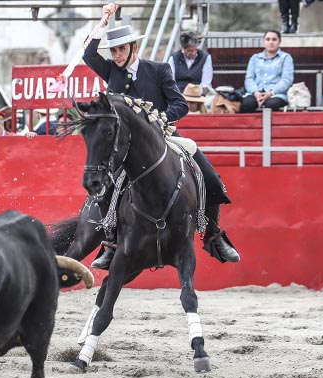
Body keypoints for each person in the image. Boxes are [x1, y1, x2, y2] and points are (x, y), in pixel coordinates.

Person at [82, 2, 239, 269]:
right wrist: (104, 21)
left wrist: (160, 118)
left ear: (134, 47)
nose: (117, 55)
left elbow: (181, 104)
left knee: (209, 179)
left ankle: (213, 235)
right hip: (127, 148)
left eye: (121, 49)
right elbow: (88, 53)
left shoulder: (159, 70)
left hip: (165, 137)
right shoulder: (110, 70)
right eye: (114, 50)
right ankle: (110, 243)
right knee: (106, 185)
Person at [240, 30, 294, 113]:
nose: (271, 42)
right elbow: (249, 78)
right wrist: (256, 93)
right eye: (268, 39)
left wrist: (271, 93)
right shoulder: (255, 58)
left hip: (276, 94)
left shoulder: (285, 58)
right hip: (256, 93)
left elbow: (287, 79)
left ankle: (267, 126)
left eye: (274, 39)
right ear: (264, 42)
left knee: (271, 105)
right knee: (247, 104)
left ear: (279, 42)